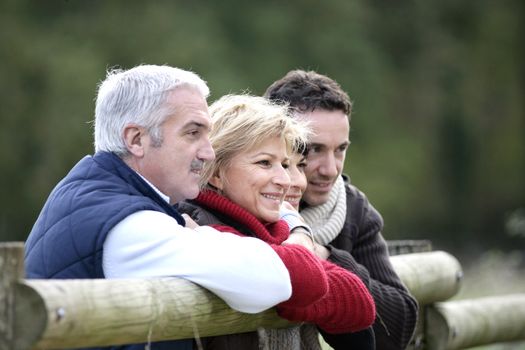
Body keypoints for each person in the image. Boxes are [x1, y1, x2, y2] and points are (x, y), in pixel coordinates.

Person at [24, 65, 297, 350]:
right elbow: (273, 282)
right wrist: (299, 238)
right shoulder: (131, 224)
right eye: (193, 133)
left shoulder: (98, 193)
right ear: (136, 140)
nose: (209, 152)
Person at [178, 94, 376, 350]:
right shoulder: (197, 224)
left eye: (284, 164)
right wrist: (300, 243)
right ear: (216, 172)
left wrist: (295, 242)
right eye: (264, 163)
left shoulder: (274, 229)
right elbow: (307, 281)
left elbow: (360, 306)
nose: (285, 180)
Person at [265, 70, 419, 350]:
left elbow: (398, 327)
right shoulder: (237, 198)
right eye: (313, 150)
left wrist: (323, 255)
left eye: (340, 150)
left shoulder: (351, 209)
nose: (330, 169)